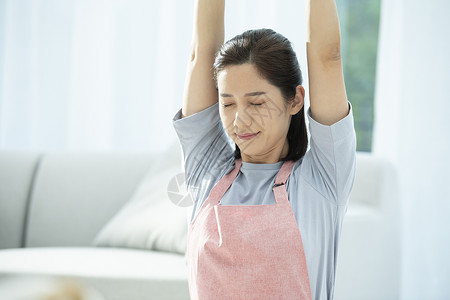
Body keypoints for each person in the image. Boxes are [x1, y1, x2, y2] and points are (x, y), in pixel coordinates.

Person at [172, 0, 356, 299]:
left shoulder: (323, 178)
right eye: (228, 103)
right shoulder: (206, 168)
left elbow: (328, 57)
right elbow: (200, 53)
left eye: (256, 103)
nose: (239, 120)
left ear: (295, 100)